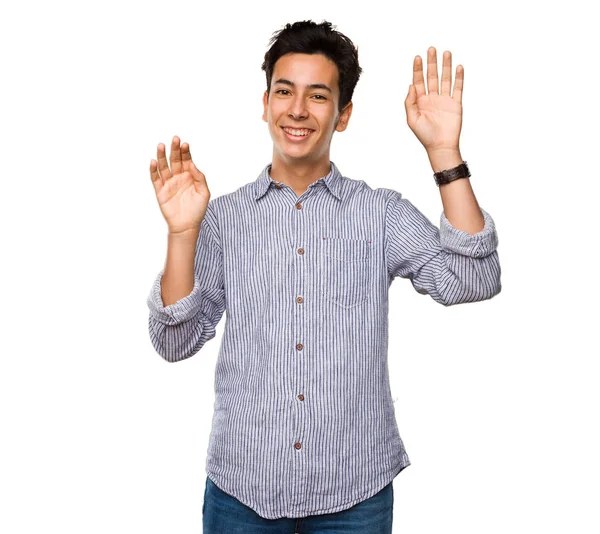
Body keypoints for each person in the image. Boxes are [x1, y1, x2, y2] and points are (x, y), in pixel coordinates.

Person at [146, 19, 501, 534]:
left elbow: (474, 279)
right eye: (284, 91)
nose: (297, 109)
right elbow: (173, 342)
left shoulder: (380, 214)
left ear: (343, 115)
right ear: (265, 102)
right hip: (243, 488)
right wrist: (182, 232)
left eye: (318, 96)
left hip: (354, 491)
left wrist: (443, 154)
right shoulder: (222, 217)